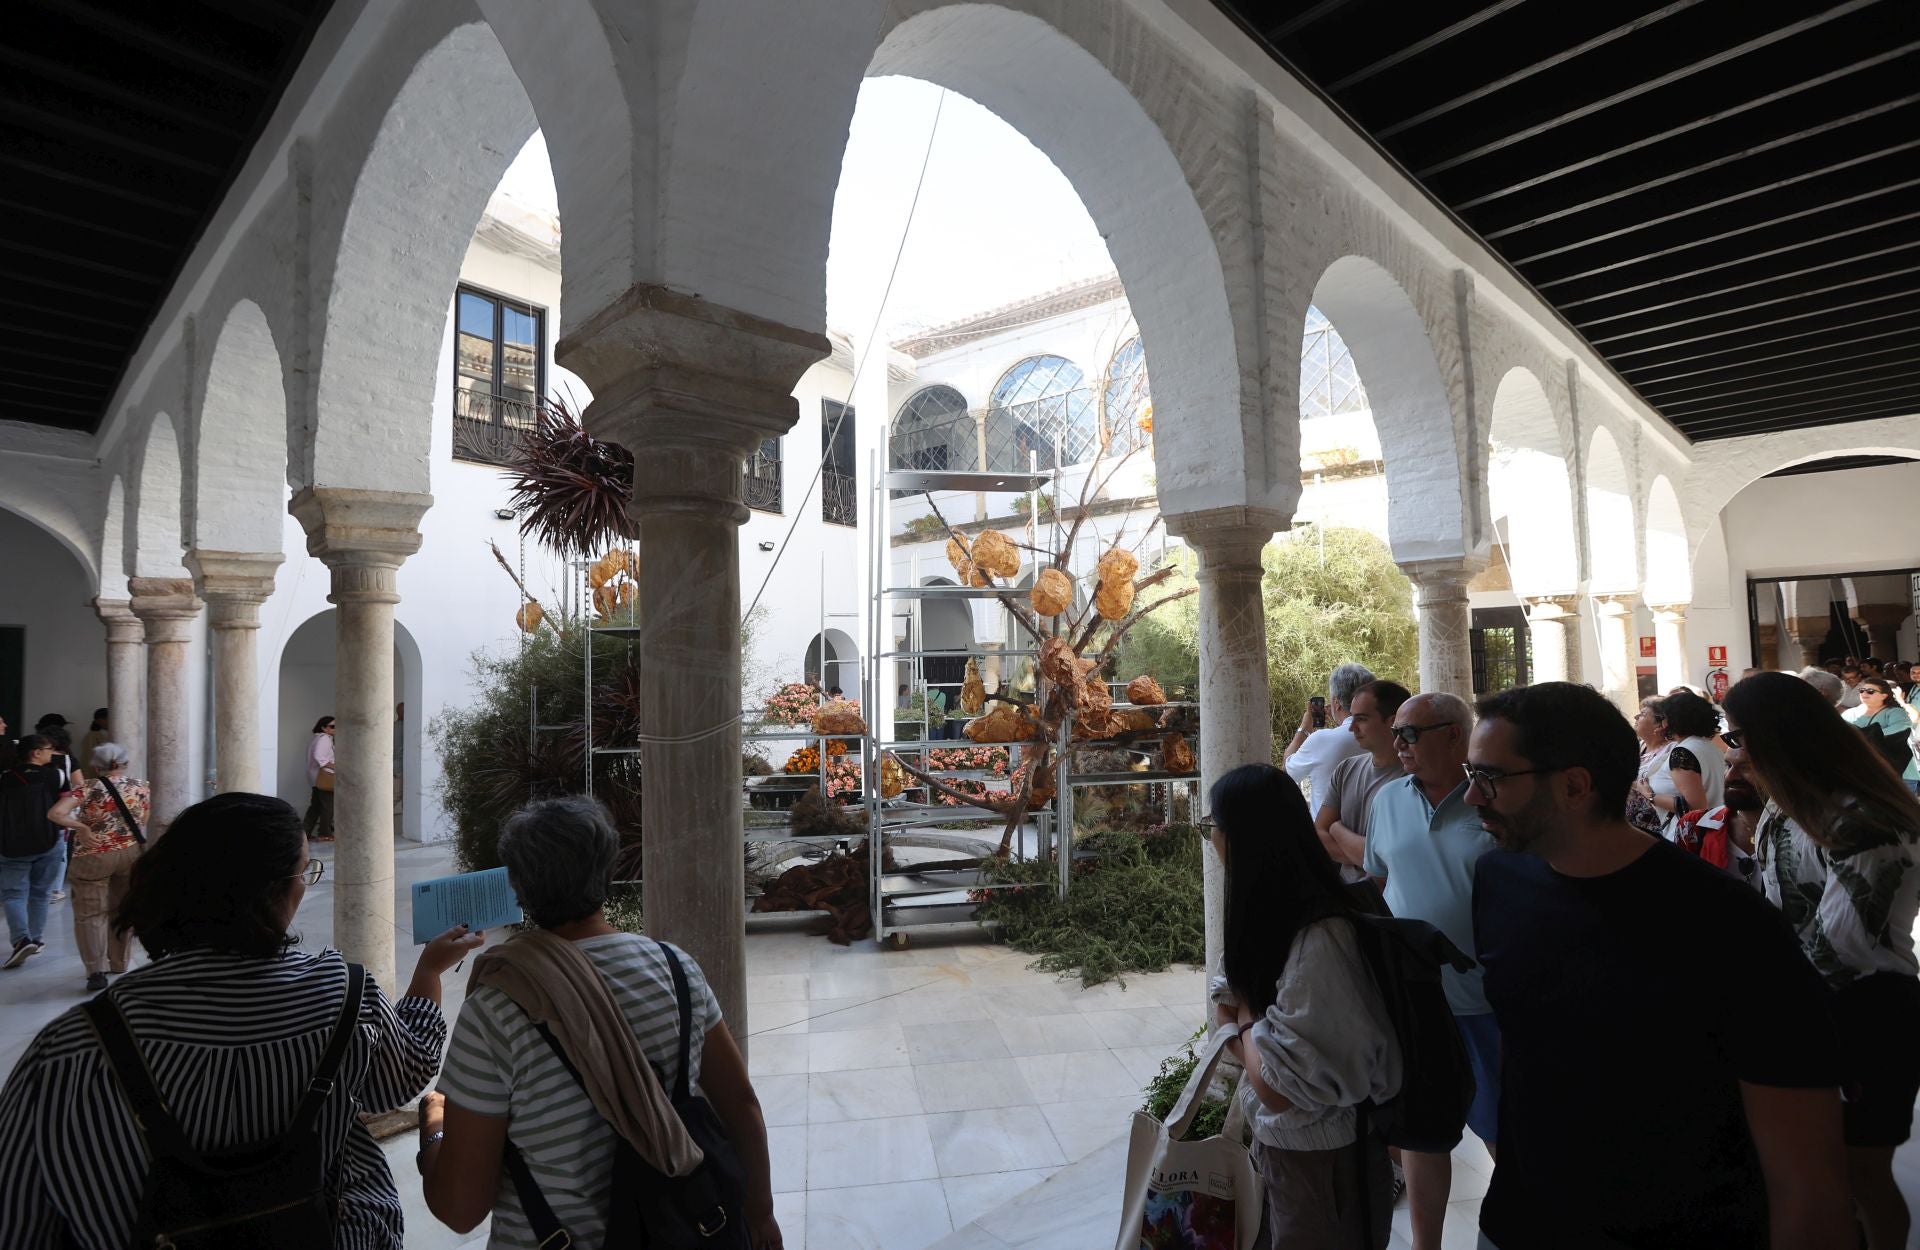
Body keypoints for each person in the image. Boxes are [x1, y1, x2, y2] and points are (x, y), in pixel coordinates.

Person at [0, 791, 481, 1249]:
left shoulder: (75, 1044)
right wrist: (429, 972)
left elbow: (20, 1218)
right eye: (304, 871)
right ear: (272, 892)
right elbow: (401, 1080)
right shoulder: (343, 994)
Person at [1466, 681, 1851, 1248]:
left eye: (1490, 779)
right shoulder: (1500, 882)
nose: (1472, 798)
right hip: (1521, 1222)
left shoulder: (1727, 925)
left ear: (1574, 786)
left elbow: (1808, 1180)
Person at [423, 796, 783, 1249]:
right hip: (680, 1230)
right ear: (609, 871)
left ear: (518, 886)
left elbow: (460, 1209)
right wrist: (761, 1214)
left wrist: (433, 1127)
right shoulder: (676, 969)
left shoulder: (495, 1010)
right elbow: (741, 1103)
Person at [1725, 672, 1920, 1250]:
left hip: (1868, 1010)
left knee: (1861, 1175)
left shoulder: (1866, 819)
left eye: (1737, 737)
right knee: (1810, 1175)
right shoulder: (1784, 811)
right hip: (1801, 1006)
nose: (1732, 752)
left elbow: (1844, 944)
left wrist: (1754, 994)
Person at [1206, 763, 1401, 1249]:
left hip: (1327, 1166)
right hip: (1293, 1154)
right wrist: (1245, 1031)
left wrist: (1243, 1019)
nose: (1211, 841)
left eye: (1213, 828)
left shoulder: (1321, 938)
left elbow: (1275, 1088)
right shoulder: (1282, 918)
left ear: (1244, 838)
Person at [1362, 692, 1497, 1250]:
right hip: (1415, 1001)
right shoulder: (1388, 800)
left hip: (1488, 1002)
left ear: (1455, 737)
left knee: (1505, 1131)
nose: (1399, 745)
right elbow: (1378, 878)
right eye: (1397, 733)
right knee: (1423, 1135)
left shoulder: (1493, 802)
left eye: (1411, 734)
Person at [48, 743, 149, 991]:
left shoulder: (87, 788)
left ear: (95, 766)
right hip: (129, 853)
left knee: (90, 914)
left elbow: (55, 813)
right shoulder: (141, 786)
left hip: (93, 856)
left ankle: (96, 971)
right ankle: (119, 963)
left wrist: (82, 828)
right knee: (121, 908)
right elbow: (143, 820)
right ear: (125, 764)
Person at [1315, 678, 1409, 878]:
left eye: (1362, 719)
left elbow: (1396, 858)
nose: (1352, 728)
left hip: (1391, 905)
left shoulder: (1415, 779)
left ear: (1392, 722)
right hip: (1350, 900)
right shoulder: (1346, 769)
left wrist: (1337, 829)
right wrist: (1369, 860)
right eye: (1352, 718)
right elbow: (1319, 834)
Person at [0, 735, 75, 969]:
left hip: (10, 842)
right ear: (35, 752)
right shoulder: (57, 775)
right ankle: (36, 938)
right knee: (41, 893)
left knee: (13, 894)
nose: (52, 753)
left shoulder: (5, 778)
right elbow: (65, 805)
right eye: (49, 749)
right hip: (49, 839)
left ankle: (22, 939)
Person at [1672, 738, 1765, 887]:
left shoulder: (1801, 832)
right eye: (1728, 765)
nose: (1730, 776)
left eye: (1747, 767)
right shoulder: (1693, 827)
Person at [1633, 689, 1724, 839]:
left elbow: (1694, 806)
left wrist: (1649, 795)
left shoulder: (1682, 752)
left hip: (1689, 837)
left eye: (1664, 717)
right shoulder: (1710, 747)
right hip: (1713, 830)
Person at [1283, 663, 1373, 810]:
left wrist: (1304, 728)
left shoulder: (1321, 740)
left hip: (1326, 831)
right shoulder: (1387, 735)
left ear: (1336, 702)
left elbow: (1287, 770)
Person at [1852, 676, 1918, 789]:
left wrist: (1864, 735)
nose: (1864, 693)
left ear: (1884, 695)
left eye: (1870, 691)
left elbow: (1901, 726)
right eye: (1861, 690)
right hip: (1867, 771)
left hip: (1899, 771)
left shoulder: (1896, 712)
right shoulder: (1851, 712)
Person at [1624, 697, 1674, 837]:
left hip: (1656, 824)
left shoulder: (1672, 751)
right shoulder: (1640, 746)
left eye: (1643, 714)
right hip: (1632, 821)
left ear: (1659, 725)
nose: (1636, 716)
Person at [304, 715, 337, 842]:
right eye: (332, 726)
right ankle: (325, 833)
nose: (335, 729)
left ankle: (305, 833)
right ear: (323, 727)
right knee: (328, 806)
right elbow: (320, 757)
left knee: (315, 806)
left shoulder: (317, 738)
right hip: (324, 777)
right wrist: (334, 766)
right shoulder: (325, 739)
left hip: (315, 778)